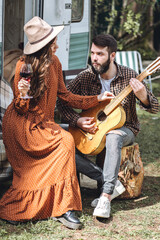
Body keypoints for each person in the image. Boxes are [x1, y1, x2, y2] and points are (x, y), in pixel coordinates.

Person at [0, 17, 114, 229]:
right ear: (43, 47)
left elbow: (65, 95)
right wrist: (23, 95)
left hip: (44, 123)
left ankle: (63, 208)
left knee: (64, 142)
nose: (57, 45)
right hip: (22, 125)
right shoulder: (23, 66)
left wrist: (97, 98)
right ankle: (60, 207)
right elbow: (20, 108)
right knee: (64, 142)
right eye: (53, 42)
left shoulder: (55, 62)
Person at [57, 34, 159, 219]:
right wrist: (77, 120)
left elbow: (155, 107)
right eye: (93, 53)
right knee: (58, 137)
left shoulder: (129, 74)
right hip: (89, 129)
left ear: (112, 55)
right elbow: (63, 102)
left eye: (100, 54)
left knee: (113, 135)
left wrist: (143, 96)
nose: (94, 58)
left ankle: (105, 196)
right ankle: (106, 180)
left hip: (125, 128)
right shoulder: (85, 77)